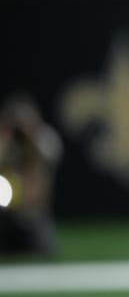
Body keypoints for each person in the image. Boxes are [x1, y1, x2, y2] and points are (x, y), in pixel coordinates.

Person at [0, 93, 62, 257]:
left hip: (34, 215)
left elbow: (48, 156)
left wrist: (32, 137)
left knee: (42, 246)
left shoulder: (45, 139)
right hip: (5, 215)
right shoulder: (5, 142)